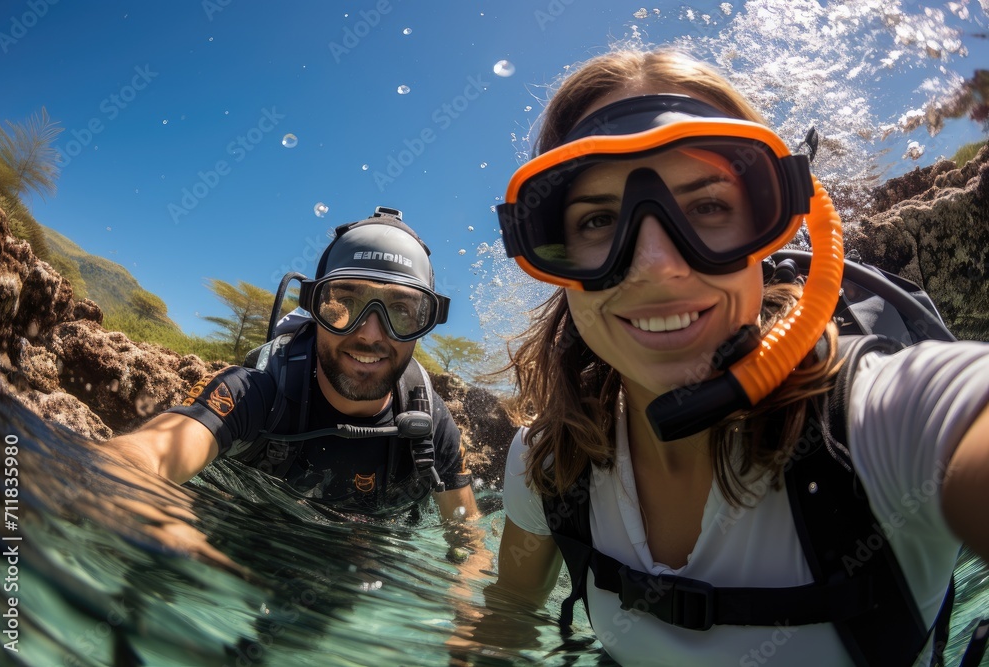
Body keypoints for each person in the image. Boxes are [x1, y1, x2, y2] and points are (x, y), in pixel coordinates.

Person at [484, 48, 989, 666]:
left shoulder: (880, 423)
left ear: (773, 222)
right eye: (597, 220)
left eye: (707, 207)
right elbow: (504, 623)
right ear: (553, 256)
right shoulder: (549, 461)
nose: (657, 267)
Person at [109, 207, 478, 521]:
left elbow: (466, 541)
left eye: (401, 311)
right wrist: (119, 486)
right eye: (345, 302)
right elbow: (150, 453)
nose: (369, 334)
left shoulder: (430, 423)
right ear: (315, 308)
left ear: (424, 324)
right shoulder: (259, 393)